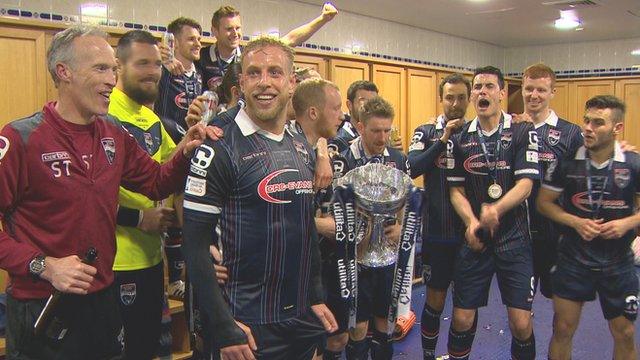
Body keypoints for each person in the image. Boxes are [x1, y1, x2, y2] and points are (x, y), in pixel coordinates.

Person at [0, 25, 218, 359]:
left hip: (104, 299)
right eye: (101, 69)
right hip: (41, 304)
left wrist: (185, 152)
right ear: (64, 72)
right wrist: (43, 265)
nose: (112, 80)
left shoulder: (112, 133)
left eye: (113, 69)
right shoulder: (21, 139)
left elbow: (156, 182)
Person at [181, 37, 337, 360]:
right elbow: (194, 247)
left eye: (275, 72)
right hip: (245, 326)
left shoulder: (302, 146)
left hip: (298, 319)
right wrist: (224, 325)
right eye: (254, 73)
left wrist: (316, 295)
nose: (264, 83)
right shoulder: (219, 147)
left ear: (292, 82)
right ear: (241, 82)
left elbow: (305, 231)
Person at [446, 66, 539, 360]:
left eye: (489, 86)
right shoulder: (459, 136)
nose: (482, 92)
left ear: (501, 93)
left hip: (515, 239)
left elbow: (525, 184)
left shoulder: (523, 131)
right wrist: (472, 222)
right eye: (477, 87)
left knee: (521, 323)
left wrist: (496, 209)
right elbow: (455, 191)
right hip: (476, 238)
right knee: (461, 318)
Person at [537, 95, 639, 360]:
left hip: (618, 262)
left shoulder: (632, 163)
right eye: (586, 121)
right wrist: (576, 222)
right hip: (573, 258)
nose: (589, 128)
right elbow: (544, 203)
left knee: (625, 332)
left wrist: (627, 222)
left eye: (598, 123)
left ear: (617, 128)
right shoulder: (568, 161)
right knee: (562, 328)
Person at [108, 30, 179, 360]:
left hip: (152, 261)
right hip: (114, 264)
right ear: (118, 66)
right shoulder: (104, 113)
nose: (152, 71)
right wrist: (137, 218)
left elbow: (171, 172)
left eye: (157, 64)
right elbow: (85, 198)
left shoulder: (150, 119)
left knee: (147, 349)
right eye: (142, 63)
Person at [326, 96, 408, 360]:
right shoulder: (343, 159)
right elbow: (334, 206)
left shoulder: (397, 158)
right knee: (357, 327)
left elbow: (407, 198)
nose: (382, 137)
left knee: (386, 325)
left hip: (388, 258)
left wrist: (401, 227)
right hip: (354, 258)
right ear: (360, 127)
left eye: (387, 130)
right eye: (376, 131)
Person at [407, 73, 470, 360]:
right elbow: (412, 167)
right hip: (436, 231)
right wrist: (443, 140)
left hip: (469, 234)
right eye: (449, 97)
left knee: (465, 306)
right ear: (441, 99)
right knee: (435, 301)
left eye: (460, 98)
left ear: (468, 99)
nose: (455, 104)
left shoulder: (476, 134)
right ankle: (429, 357)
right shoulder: (425, 131)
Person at [514, 63, 583, 299]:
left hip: (557, 235)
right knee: (521, 305)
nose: (534, 95)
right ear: (522, 89)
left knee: (560, 304)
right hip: (519, 233)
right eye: (529, 89)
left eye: (541, 90)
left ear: (553, 92)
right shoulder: (511, 128)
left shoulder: (571, 133)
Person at [172, 3, 338, 91]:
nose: (235, 33)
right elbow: (174, 56)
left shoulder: (249, 55)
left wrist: (323, 19)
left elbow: (290, 39)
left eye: (238, 28)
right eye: (229, 29)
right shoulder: (200, 56)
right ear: (215, 30)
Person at [155, 17, 204, 144]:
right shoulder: (160, 69)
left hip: (192, 145)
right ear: (174, 42)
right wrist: (160, 60)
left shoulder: (200, 74)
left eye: (199, 39)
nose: (198, 44)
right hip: (164, 144)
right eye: (191, 39)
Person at [328, 80, 379, 154]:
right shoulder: (338, 139)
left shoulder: (382, 136)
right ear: (349, 105)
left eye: (374, 102)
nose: (370, 106)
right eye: (363, 101)